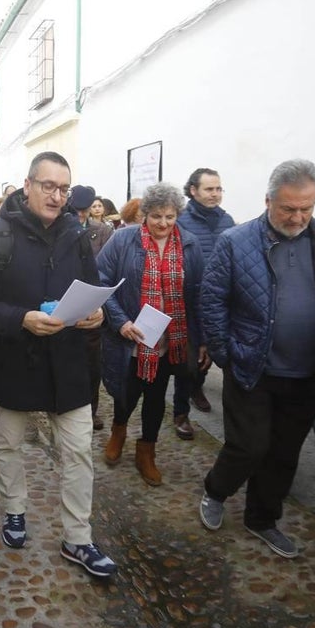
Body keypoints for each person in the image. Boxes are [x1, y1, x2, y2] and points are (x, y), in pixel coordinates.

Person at [0, 151, 118, 578]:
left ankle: (78, 538)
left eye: (63, 188)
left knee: (78, 453)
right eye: (47, 186)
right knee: (9, 444)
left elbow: (92, 287)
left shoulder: (77, 234)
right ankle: (15, 511)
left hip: (68, 363)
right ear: (28, 185)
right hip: (17, 358)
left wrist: (96, 314)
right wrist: (21, 319)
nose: (56, 195)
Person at [198, 159, 315, 558]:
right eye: (288, 209)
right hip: (252, 367)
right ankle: (216, 490)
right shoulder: (235, 241)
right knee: (248, 446)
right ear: (268, 201)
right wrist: (224, 354)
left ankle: (262, 518)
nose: (298, 217)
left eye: (307, 208)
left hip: (308, 371)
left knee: (284, 453)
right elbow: (212, 300)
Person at [98, 182, 205, 486]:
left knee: (157, 397)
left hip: (170, 339)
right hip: (131, 336)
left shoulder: (190, 244)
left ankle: (147, 451)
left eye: (170, 217)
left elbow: (197, 294)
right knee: (126, 393)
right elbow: (101, 281)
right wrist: (120, 321)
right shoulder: (123, 240)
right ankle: (118, 431)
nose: (163, 223)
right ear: (145, 214)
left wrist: (202, 340)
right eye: (157, 216)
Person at [172, 168, 236, 439]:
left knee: (208, 355)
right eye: (210, 189)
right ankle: (180, 412)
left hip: (219, 302)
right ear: (193, 191)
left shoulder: (228, 220)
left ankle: (197, 386)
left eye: (219, 189)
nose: (215, 194)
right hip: (188, 302)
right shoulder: (181, 221)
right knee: (188, 360)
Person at [69, 184, 114, 430]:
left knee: (92, 363)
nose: (82, 215)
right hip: (67, 302)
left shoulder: (103, 231)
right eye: (78, 210)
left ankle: (91, 409)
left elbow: (106, 267)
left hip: (92, 303)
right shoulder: (63, 226)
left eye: (85, 211)